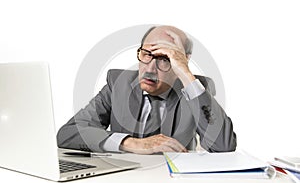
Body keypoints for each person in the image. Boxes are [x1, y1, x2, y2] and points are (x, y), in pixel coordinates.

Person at [57, 25, 237, 154]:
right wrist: (131, 143)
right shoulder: (118, 83)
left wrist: (186, 75)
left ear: (181, 61)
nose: (150, 69)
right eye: (146, 54)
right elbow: (68, 133)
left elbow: (224, 146)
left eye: (164, 58)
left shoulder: (194, 90)